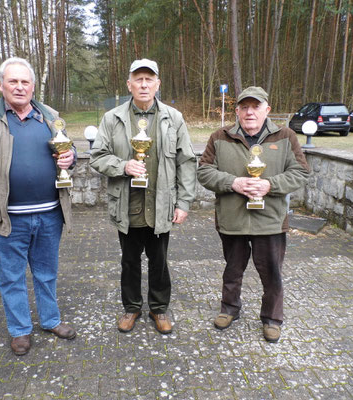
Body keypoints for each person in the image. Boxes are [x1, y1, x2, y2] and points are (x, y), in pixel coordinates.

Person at [0, 57, 77, 356]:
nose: (20, 87)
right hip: (6, 217)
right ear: (0, 84)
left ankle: (50, 320)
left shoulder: (50, 116)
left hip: (49, 214)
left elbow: (68, 150)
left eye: (25, 82)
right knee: (11, 276)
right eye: (13, 81)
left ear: (33, 86)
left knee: (47, 272)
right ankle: (20, 330)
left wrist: (70, 157)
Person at [90, 59, 197, 335]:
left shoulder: (173, 118)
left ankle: (159, 309)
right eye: (138, 79)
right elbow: (97, 156)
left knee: (159, 261)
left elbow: (186, 161)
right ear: (129, 84)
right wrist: (123, 165)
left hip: (160, 204)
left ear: (158, 84)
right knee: (129, 261)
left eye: (149, 79)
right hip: (128, 204)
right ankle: (132, 307)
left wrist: (184, 202)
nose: (144, 84)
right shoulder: (112, 118)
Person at [197, 86, 310, 343]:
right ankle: (229, 309)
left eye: (255, 107)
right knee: (233, 269)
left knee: (272, 272)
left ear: (266, 110)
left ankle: (272, 318)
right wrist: (232, 182)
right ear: (236, 110)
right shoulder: (220, 136)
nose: (250, 112)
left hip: (270, 220)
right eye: (244, 107)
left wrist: (270, 185)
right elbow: (203, 171)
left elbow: (301, 172)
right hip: (232, 218)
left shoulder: (286, 135)